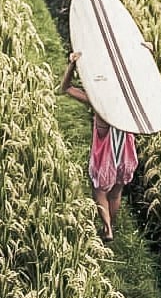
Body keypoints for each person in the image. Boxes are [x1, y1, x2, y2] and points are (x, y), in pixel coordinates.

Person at [60, 48, 148, 241]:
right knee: (116, 193)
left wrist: (72, 64)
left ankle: (107, 228)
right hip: (124, 154)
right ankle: (112, 225)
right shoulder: (127, 103)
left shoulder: (98, 103)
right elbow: (148, 84)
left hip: (105, 157)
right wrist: (148, 56)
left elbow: (65, 88)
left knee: (99, 192)